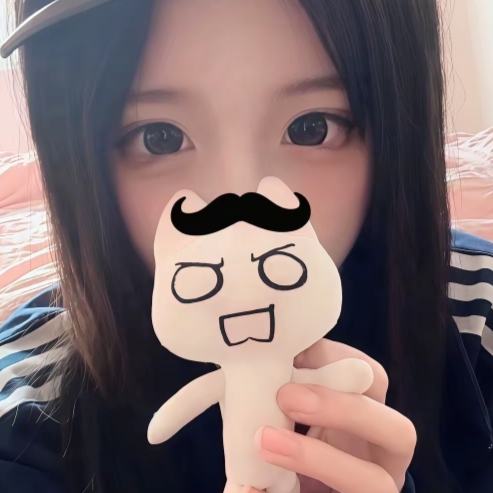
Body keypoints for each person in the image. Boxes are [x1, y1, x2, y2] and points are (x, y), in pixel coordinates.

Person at [0, 0, 492, 492]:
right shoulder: (25, 418)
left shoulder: (478, 316)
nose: (240, 205)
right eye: (159, 137)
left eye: (311, 128)